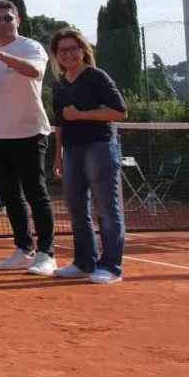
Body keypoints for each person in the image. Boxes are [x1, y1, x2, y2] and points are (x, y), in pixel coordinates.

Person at [0, 0, 57, 276]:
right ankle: (24, 250)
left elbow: (35, 72)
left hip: (30, 131)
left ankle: (47, 253)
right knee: (11, 197)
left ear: (18, 21)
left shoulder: (31, 47)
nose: (2, 23)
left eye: (7, 18)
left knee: (37, 193)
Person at [49, 29, 127, 284]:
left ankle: (111, 267)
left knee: (106, 207)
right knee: (75, 207)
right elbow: (60, 122)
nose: (68, 54)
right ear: (56, 55)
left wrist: (82, 115)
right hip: (71, 150)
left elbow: (119, 111)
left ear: (83, 50)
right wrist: (58, 155)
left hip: (100, 147)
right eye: (62, 50)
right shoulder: (59, 84)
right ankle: (84, 263)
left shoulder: (97, 77)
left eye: (73, 49)